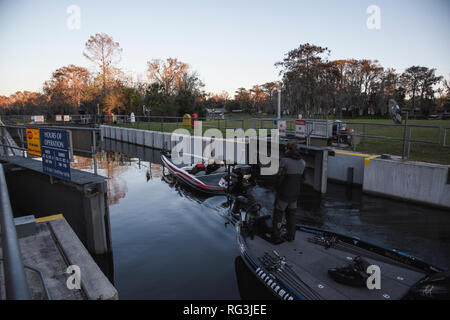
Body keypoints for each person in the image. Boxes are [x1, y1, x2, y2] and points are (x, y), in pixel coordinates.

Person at [272, 140, 306, 244]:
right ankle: (291, 236)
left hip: (284, 193)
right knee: (291, 215)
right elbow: (303, 179)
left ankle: (276, 237)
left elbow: (278, 178)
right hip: (295, 194)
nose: (285, 150)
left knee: (278, 215)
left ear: (288, 149)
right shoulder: (303, 162)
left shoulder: (284, 161)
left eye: (285, 148)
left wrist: (276, 189)